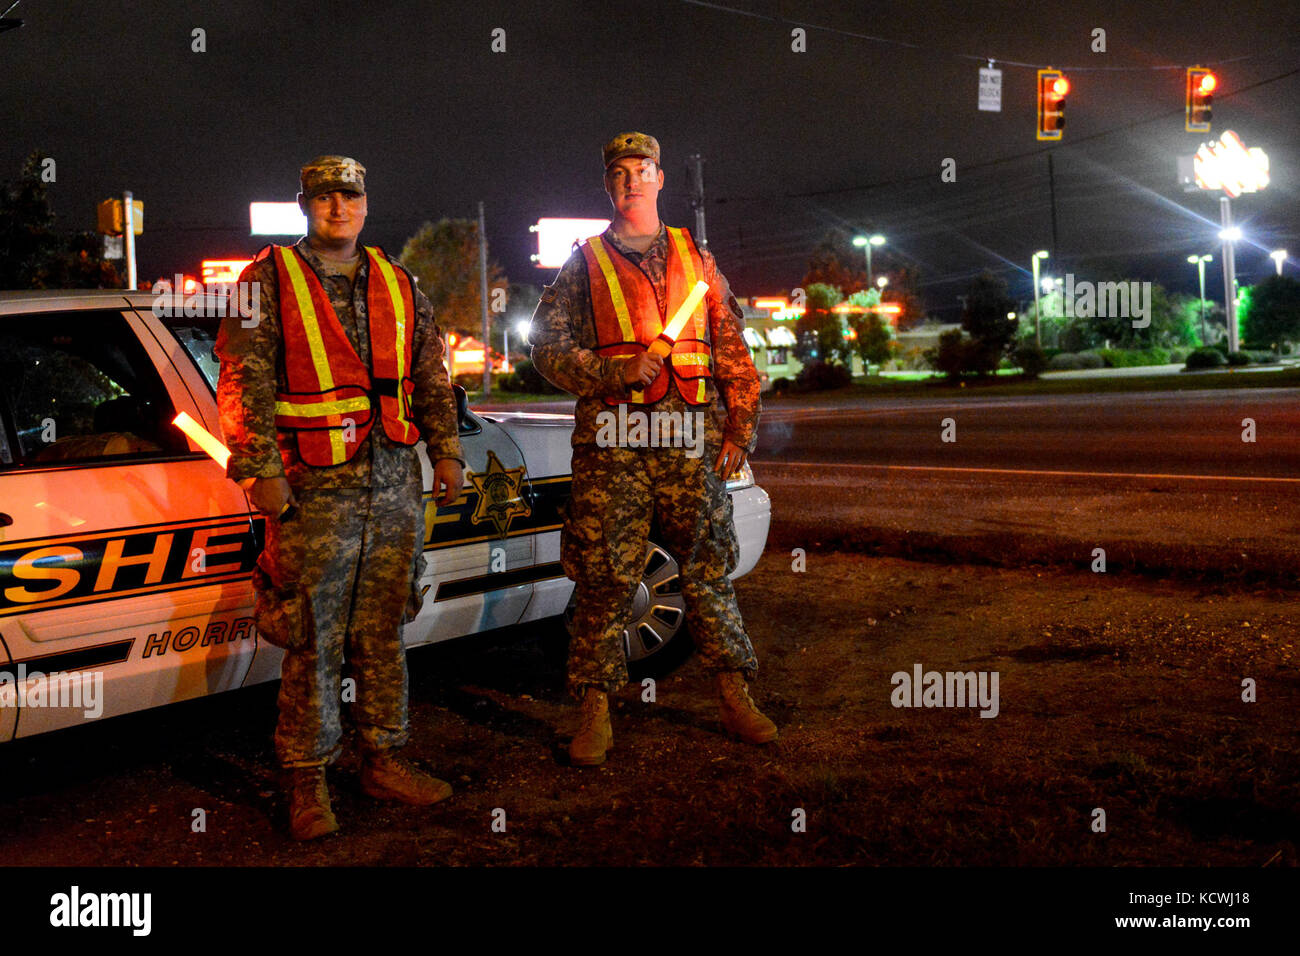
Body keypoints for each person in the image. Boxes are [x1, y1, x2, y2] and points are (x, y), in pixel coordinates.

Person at [216, 155, 466, 839]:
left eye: (348, 197)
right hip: (311, 489)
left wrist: (445, 451)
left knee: (384, 628)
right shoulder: (265, 280)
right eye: (324, 197)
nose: (338, 208)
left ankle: (383, 758)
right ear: (305, 204)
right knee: (311, 636)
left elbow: (431, 376)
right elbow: (241, 376)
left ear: (365, 204)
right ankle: (307, 781)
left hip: (392, 485)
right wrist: (257, 466)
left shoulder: (399, 281)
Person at [530, 132, 777, 766]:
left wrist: (738, 430)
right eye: (619, 173)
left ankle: (734, 695)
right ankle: (593, 710)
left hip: (690, 441)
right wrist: (610, 372)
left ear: (661, 178)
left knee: (706, 570)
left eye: (642, 170)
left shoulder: (699, 260)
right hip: (614, 443)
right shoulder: (583, 263)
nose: (631, 182)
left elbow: (732, 353)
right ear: (607, 186)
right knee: (605, 577)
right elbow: (546, 350)